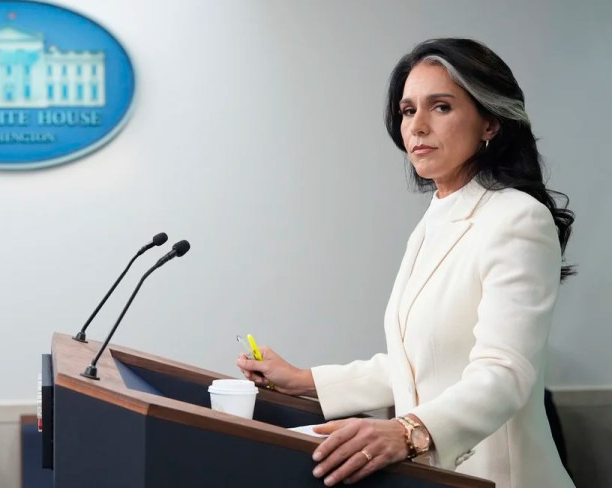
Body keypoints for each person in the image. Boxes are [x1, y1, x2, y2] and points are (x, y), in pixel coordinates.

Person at [238, 38, 575, 488]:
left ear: (490, 122)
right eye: (408, 110)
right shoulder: (435, 219)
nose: (417, 126)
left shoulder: (518, 218)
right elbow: (417, 362)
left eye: (441, 107)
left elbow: (504, 373)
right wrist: (303, 379)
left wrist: (408, 431)